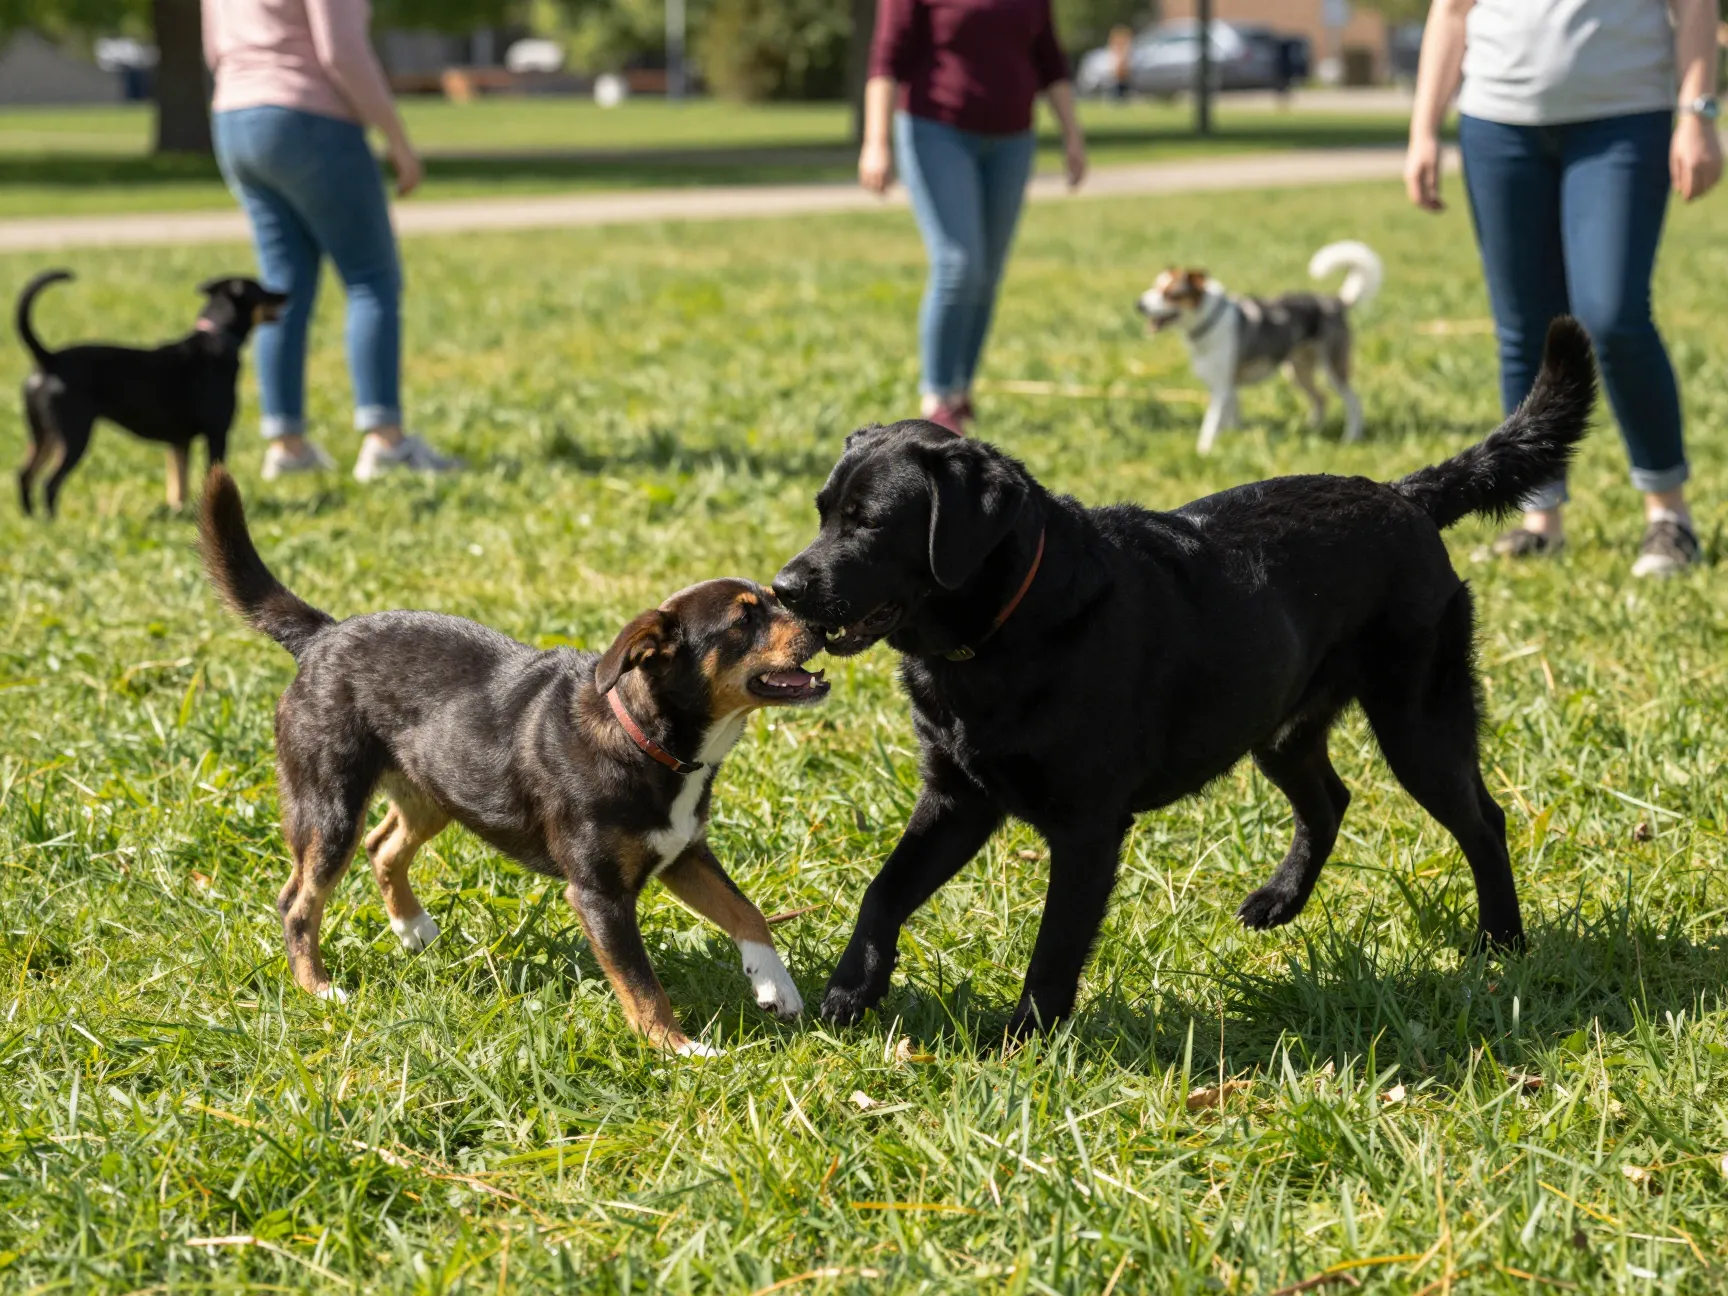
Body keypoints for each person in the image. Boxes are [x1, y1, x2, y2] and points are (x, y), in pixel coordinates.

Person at [1405, 0, 1721, 576]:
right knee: (1524, 327)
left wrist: (1698, 113)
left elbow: (1695, 6)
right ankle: (1538, 517)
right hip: (1497, 123)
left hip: (1624, 118)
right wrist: (1424, 129)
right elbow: (1451, 12)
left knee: (1613, 316)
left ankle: (1669, 515)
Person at [203, 0, 461, 482]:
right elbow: (341, 52)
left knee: (280, 291)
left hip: (234, 121)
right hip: (309, 116)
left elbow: (216, 49)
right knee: (371, 280)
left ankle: (287, 446)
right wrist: (397, 139)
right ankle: (386, 442)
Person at [861, 0, 1088, 435]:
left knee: (987, 273)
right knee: (958, 264)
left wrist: (1073, 137)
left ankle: (960, 393)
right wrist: (876, 142)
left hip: (1012, 140)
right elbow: (886, 58)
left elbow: (1050, 60)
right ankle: (937, 396)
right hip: (936, 129)